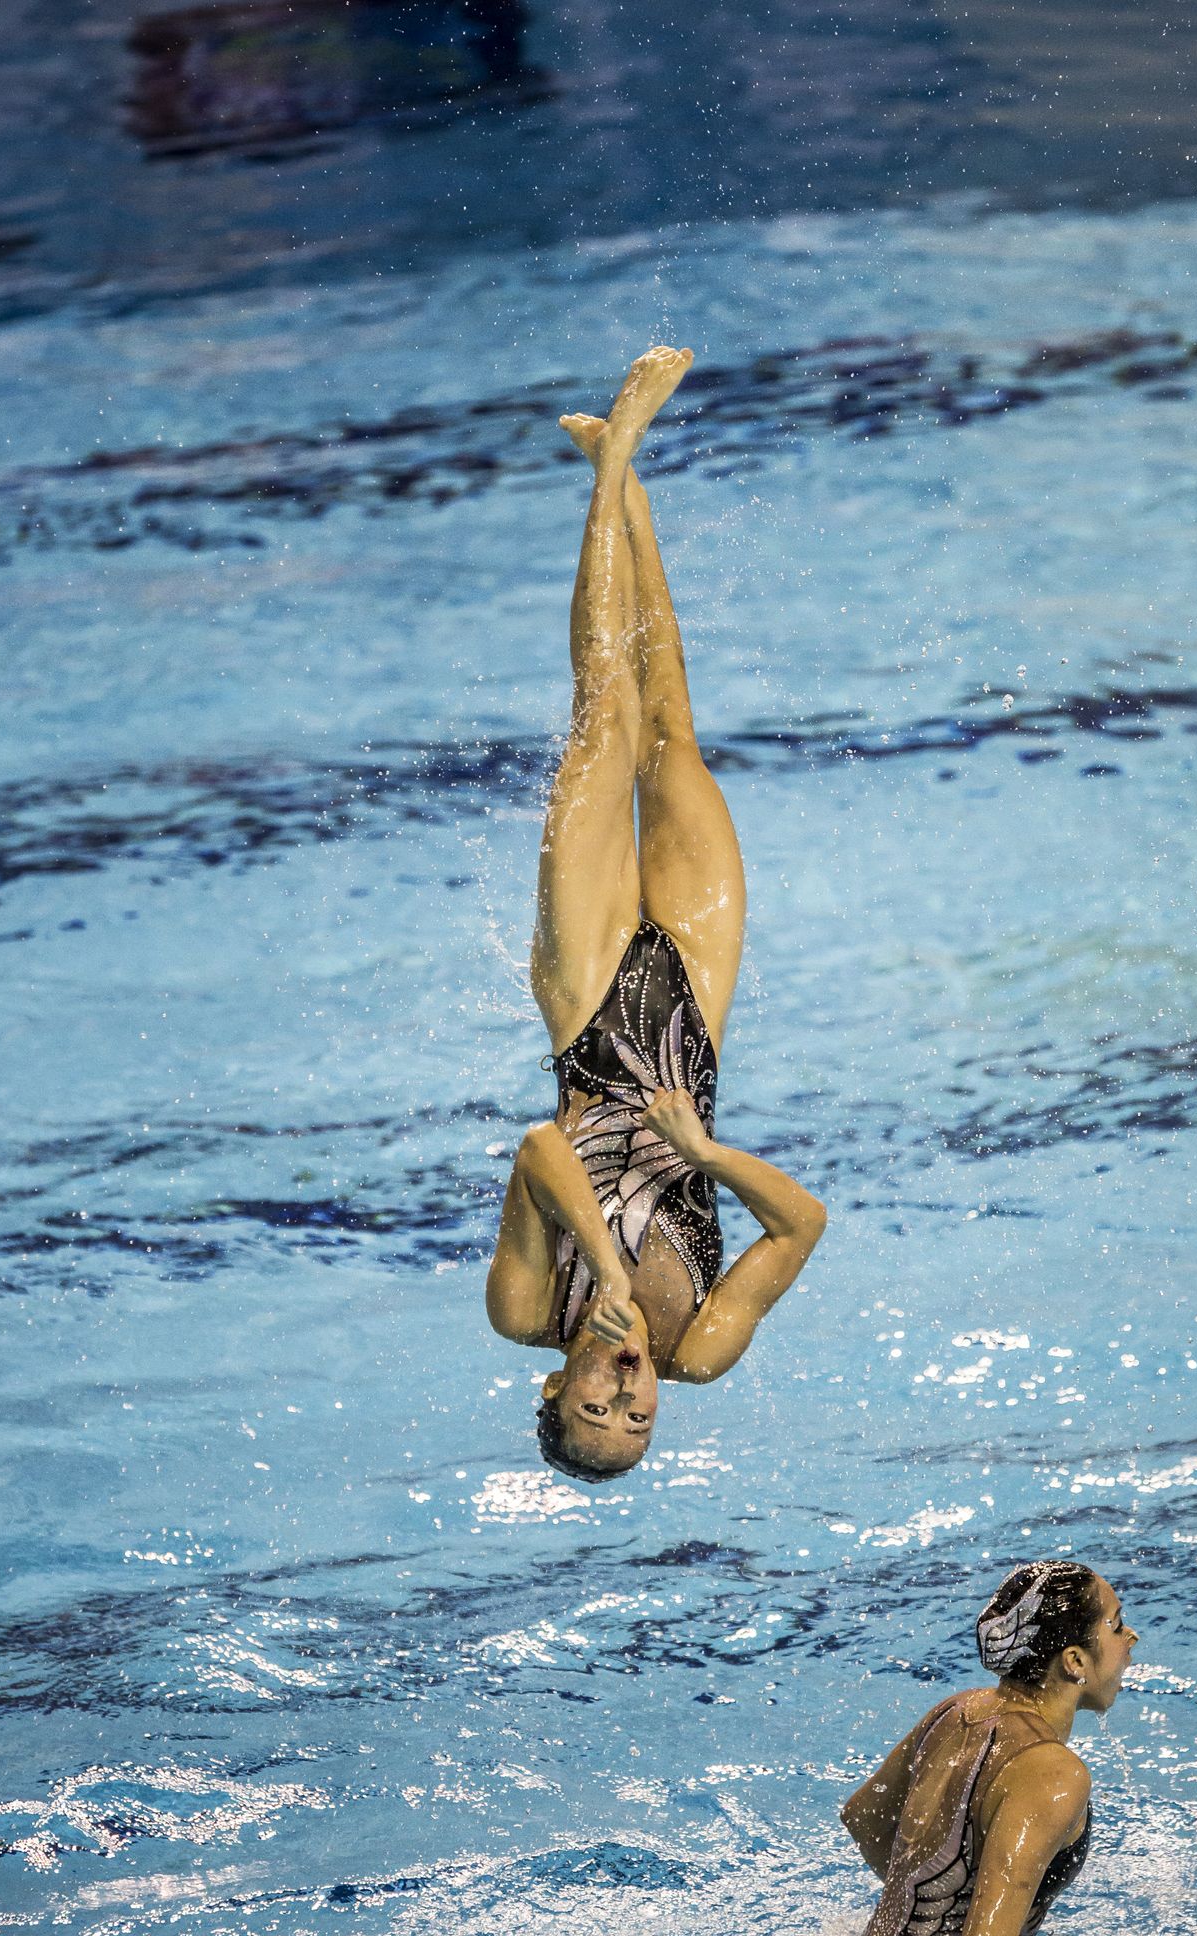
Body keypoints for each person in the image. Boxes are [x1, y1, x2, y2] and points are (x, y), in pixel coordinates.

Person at [485, 346, 827, 1481]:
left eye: (595, 1410)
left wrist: (608, 1272)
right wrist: (704, 1151)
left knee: (603, 722)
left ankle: (615, 458)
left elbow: (542, 1147)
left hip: (587, 1014)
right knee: (674, 728)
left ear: (555, 1387)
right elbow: (802, 1226)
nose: (627, 1397)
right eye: (637, 1423)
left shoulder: (526, 1311)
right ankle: (622, 480)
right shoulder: (702, 1349)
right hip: (693, 1020)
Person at [831, 1560, 1138, 1936]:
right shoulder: (1054, 1772)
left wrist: (930, 1911)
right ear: (1075, 1661)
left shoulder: (957, 1711)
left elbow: (862, 1816)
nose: (1131, 1636)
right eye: (1114, 1623)